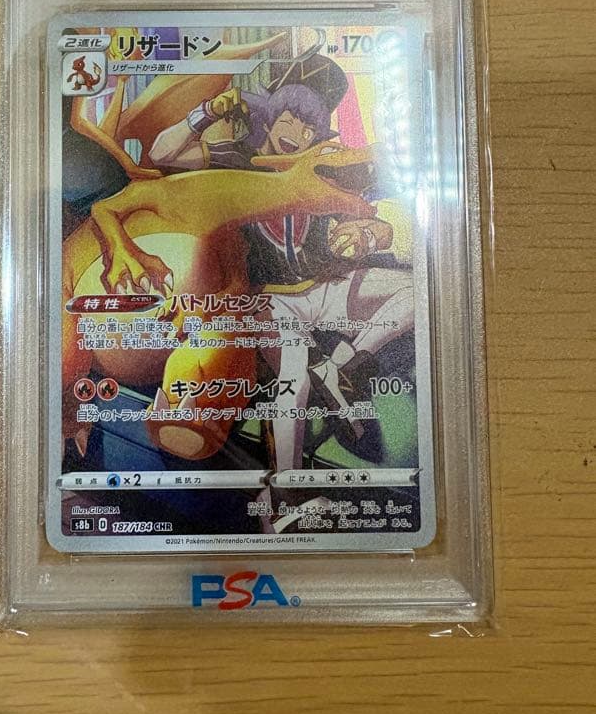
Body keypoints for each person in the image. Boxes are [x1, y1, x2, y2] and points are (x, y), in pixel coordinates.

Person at [149, 64, 414, 482]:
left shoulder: (323, 167)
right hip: (273, 302)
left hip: (326, 287)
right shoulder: (238, 160)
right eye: (290, 117)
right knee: (295, 377)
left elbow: (382, 209)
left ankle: (344, 364)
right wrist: (206, 113)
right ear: (271, 116)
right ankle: (286, 491)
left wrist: (368, 232)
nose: (297, 132)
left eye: (310, 127)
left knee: (416, 291)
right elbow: (161, 154)